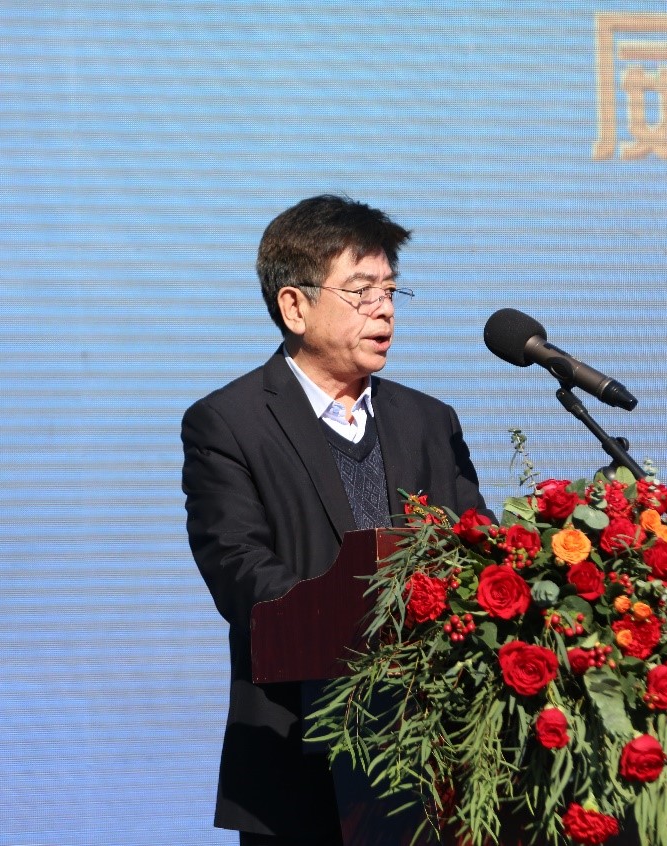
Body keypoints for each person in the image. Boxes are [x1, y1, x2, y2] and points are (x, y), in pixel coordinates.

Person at [181, 195, 487, 845]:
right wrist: (355, 618)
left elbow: (475, 549)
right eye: (361, 290)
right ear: (295, 306)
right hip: (300, 755)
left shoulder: (429, 420)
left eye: (391, 291)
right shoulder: (228, 423)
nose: (384, 308)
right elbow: (237, 568)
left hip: (436, 757)